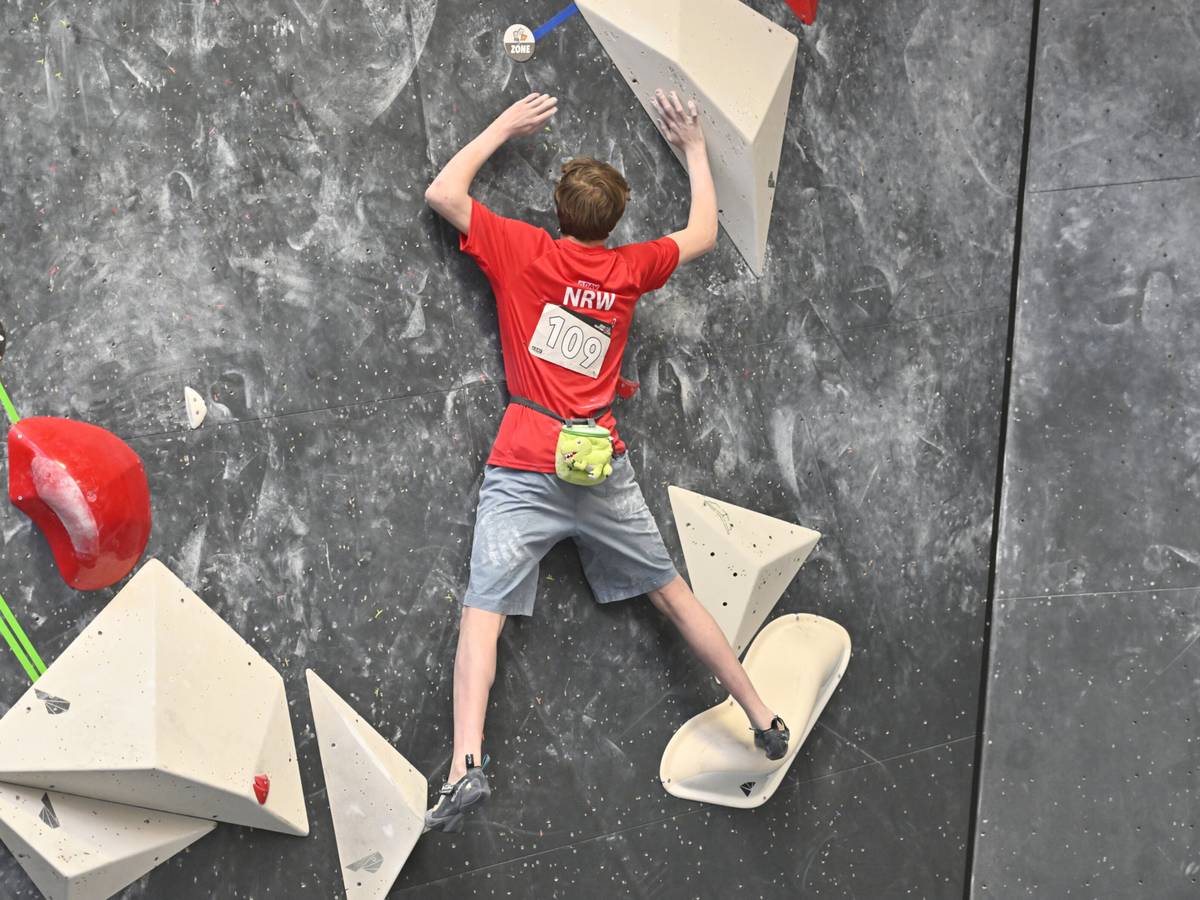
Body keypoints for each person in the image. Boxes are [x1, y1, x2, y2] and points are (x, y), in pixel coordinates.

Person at [422, 90, 789, 833]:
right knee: (675, 595)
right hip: (599, 466)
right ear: (614, 222)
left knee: (482, 615)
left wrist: (506, 125)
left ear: (557, 210)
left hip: (526, 460)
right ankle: (762, 715)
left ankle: (466, 764)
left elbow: (442, 192)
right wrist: (691, 145)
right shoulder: (628, 270)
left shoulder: (523, 251)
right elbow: (703, 234)